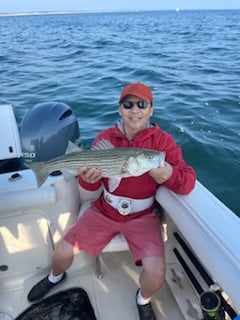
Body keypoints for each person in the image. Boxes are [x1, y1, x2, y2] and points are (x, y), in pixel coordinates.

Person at [27, 82, 196, 320]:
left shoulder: (163, 143)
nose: (135, 110)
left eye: (142, 104)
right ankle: (55, 277)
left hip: (143, 215)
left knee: (156, 273)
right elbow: (90, 186)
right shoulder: (105, 138)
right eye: (128, 104)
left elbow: (188, 182)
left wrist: (168, 174)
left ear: (151, 110)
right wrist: (89, 179)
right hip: (104, 210)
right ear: (120, 109)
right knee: (61, 252)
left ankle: (142, 299)